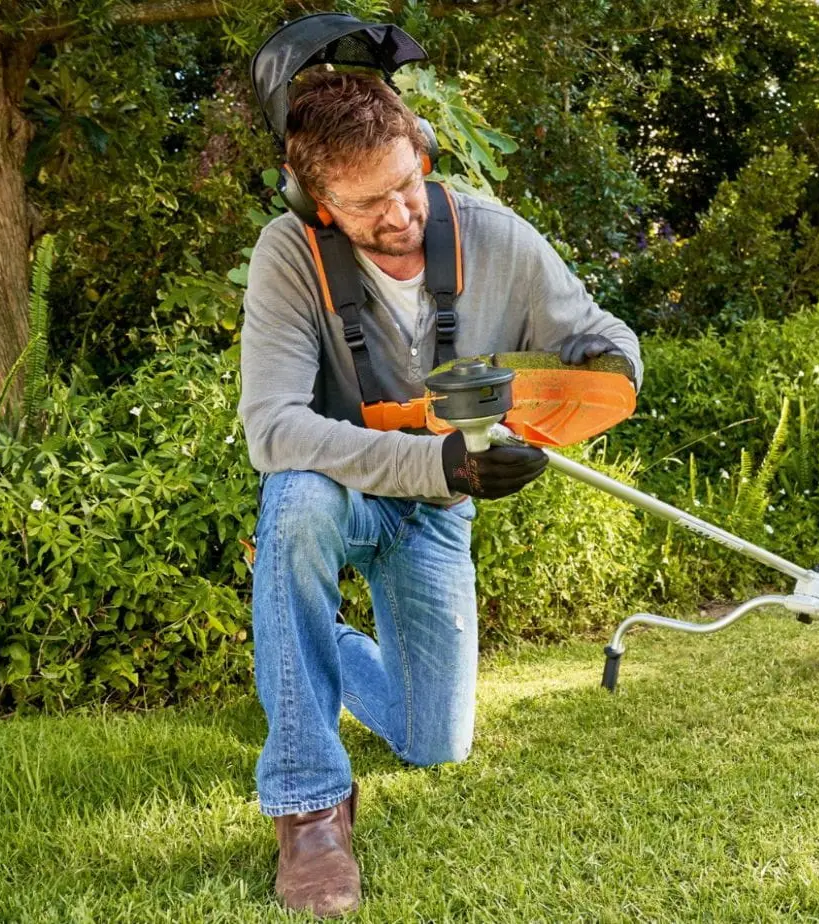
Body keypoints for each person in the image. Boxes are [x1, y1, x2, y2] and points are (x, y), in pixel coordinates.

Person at [237, 68, 641, 917]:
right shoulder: (289, 253)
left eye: (404, 185)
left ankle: (307, 641)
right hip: (342, 491)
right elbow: (272, 430)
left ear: (420, 152)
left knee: (436, 746)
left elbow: (602, 340)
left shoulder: (497, 238)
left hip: (435, 520)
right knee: (297, 502)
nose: (395, 215)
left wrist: (564, 409)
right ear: (317, 205)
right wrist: (441, 464)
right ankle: (309, 807)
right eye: (363, 205)